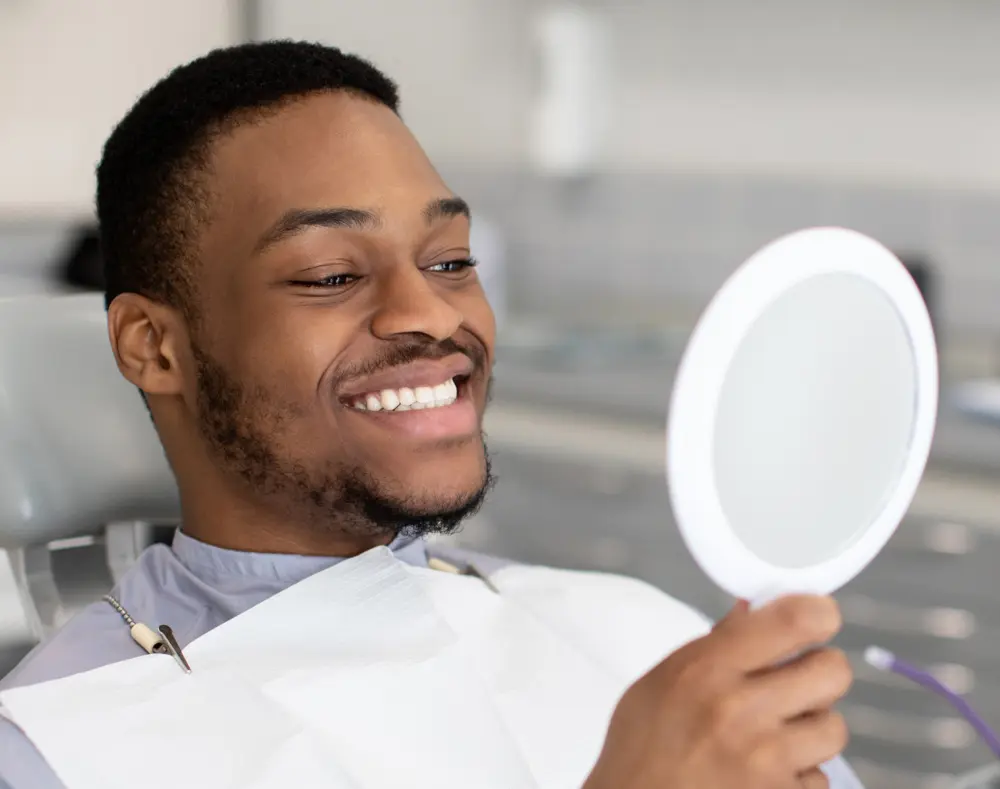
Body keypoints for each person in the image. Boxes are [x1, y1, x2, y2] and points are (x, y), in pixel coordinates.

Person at [0, 41, 859, 788]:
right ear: (154, 346)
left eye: (450, 259)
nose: (433, 314)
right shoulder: (59, 749)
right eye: (332, 275)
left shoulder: (641, 636)